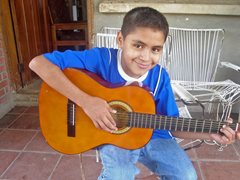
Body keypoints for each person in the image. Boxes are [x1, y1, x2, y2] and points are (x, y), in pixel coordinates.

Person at [29, 7, 238, 180]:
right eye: (138, 45)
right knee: (119, 174)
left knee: (186, 175)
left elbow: (174, 126)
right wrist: (86, 102)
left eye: (156, 49)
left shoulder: (159, 78)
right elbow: (38, 63)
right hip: (112, 136)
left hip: (154, 135)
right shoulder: (101, 59)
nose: (146, 57)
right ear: (120, 40)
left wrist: (210, 133)